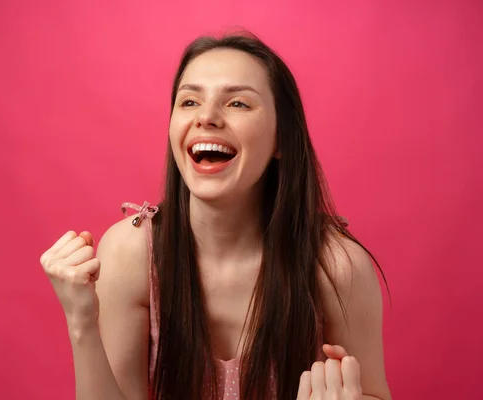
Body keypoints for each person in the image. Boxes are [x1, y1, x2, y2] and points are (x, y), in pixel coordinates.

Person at [40, 32, 392, 400]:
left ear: (282, 140)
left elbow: (374, 393)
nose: (206, 117)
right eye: (189, 101)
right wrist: (81, 323)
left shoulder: (336, 265)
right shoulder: (130, 253)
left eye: (238, 103)